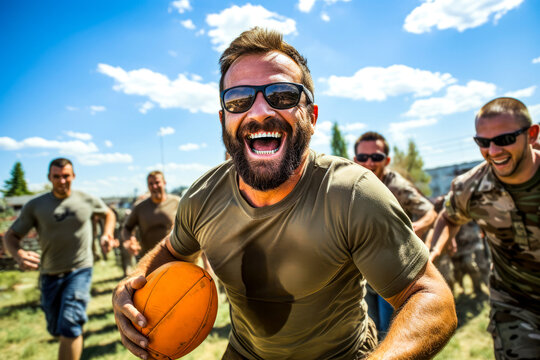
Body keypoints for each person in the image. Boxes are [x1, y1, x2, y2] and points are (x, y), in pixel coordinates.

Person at [113, 27, 456, 360]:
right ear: (223, 120)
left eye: (282, 96)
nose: (259, 111)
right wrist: (131, 284)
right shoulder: (203, 196)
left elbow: (431, 297)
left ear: (312, 115)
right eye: (239, 100)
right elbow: (173, 251)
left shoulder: (351, 194)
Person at [429, 97, 540, 359]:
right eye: (483, 142)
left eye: (504, 139)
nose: (493, 151)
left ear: (532, 134)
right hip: (514, 303)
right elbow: (449, 216)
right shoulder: (471, 186)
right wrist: (433, 252)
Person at [3, 158, 116, 360]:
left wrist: (107, 234)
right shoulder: (35, 206)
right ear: (49, 177)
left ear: (73, 176)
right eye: (57, 177)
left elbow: (108, 213)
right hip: (49, 274)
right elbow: (11, 236)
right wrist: (18, 255)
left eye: (66, 176)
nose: (62, 181)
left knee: (71, 323)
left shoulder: (86, 200)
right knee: (56, 328)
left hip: (80, 269)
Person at [354, 131, 438, 339]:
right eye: (363, 158)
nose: (369, 162)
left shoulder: (396, 186)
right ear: (355, 159)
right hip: (363, 272)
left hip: (392, 273)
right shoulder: (352, 182)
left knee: (389, 332)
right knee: (367, 330)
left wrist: (413, 230)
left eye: (377, 157)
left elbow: (430, 211)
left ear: (387, 160)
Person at [121, 171, 180, 258]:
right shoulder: (140, 207)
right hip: (148, 258)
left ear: (164, 183)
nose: (154, 186)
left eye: (157, 182)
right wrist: (129, 241)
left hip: (174, 257)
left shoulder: (177, 203)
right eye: (151, 184)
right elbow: (126, 228)